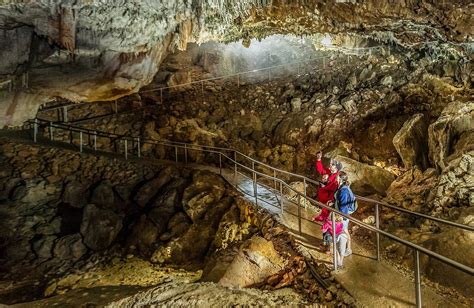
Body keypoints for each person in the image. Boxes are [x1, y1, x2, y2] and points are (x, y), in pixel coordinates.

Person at [313, 151, 343, 221]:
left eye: (332, 164)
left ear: (336, 168)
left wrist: (323, 187)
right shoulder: (329, 173)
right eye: (330, 163)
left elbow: (333, 189)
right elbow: (321, 170)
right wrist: (319, 159)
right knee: (326, 211)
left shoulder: (337, 177)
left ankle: (325, 222)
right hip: (324, 197)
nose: (330, 165)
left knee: (327, 212)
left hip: (329, 199)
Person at [333, 171, 357, 257]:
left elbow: (344, 206)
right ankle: (343, 247)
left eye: (337, 177)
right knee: (343, 230)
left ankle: (348, 249)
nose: (335, 178)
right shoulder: (341, 187)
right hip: (340, 213)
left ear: (341, 179)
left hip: (343, 215)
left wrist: (342, 217)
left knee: (344, 230)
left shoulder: (344, 191)